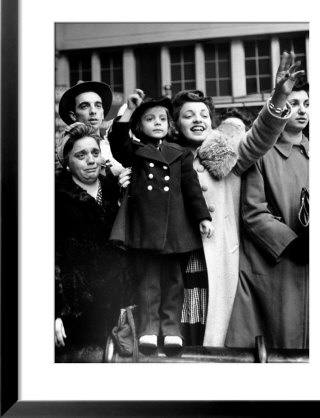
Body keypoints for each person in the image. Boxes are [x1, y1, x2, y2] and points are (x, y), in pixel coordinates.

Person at [167, 52, 305, 347]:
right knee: (177, 340)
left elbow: (259, 136)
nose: (198, 120)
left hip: (216, 265)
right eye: (188, 115)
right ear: (175, 124)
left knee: (213, 341)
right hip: (175, 263)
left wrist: (279, 98)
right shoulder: (164, 160)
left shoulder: (227, 154)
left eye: (204, 115)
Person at [108, 96, 214, 349]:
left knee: (175, 283)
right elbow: (117, 143)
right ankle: (148, 328)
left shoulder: (180, 154)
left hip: (176, 230)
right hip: (146, 229)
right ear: (139, 125)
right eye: (149, 118)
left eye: (162, 119)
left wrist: (202, 217)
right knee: (148, 283)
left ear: (170, 124)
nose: (157, 123)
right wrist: (130, 109)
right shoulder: (135, 152)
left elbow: (192, 190)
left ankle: (171, 329)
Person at [225, 83, 309, 349]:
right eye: (293, 104)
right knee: (280, 344)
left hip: (313, 263)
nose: (302, 110)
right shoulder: (262, 153)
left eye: (307, 104)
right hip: (277, 263)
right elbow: (253, 211)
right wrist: (292, 242)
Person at [55, 123, 134, 349]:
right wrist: (54, 312)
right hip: (78, 309)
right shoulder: (56, 198)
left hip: (119, 302)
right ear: (67, 162)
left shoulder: (112, 188)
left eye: (95, 153)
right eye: (81, 155)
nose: (91, 160)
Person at [58, 80, 123, 175]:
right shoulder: (68, 148)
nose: (93, 111)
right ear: (73, 116)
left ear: (103, 113)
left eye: (98, 106)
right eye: (84, 106)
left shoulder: (113, 145)